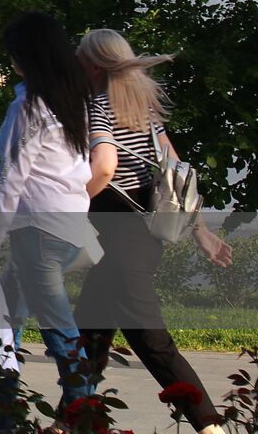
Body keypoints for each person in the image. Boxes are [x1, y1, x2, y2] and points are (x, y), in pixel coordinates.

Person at [74, 29, 230, 434]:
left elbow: (104, 168)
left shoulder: (98, 105)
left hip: (120, 237)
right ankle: (68, 420)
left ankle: (209, 426)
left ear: (92, 65)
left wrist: (69, 208)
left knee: (152, 342)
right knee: (90, 332)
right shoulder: (143, 108)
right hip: (141, 236)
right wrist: (200, 231)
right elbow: (175, 175)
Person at [0, 12, 99, 429]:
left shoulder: (30, 106)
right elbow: (84, 171)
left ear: (23, 57)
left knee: (62, 338)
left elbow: (10, 183)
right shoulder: (73, 100)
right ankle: (1, 421)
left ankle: (83, 419)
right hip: (68, 227)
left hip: (39, 234)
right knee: (6, 330)